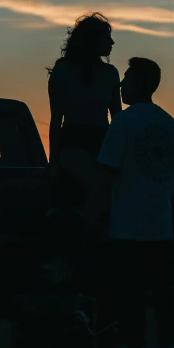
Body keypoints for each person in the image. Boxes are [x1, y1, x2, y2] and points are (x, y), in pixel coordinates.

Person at [95, 57, 174, 348]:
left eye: (128, 79)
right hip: (161, 225)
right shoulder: (172, 126)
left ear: (141, 84)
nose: (121, 85)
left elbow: (106, 174)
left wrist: (95, 214)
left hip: (127, 224)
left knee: (130, 289)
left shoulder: (121, 124)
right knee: (162, 290)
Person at [48, 13, 121, 205]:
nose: (112, 42)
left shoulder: (111, 74)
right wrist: (53, 161)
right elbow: (56, 119)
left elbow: (117, 119)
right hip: (73, 143)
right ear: (92, 40)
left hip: (103, 145)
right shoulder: (62, 71)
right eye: (107, 37)